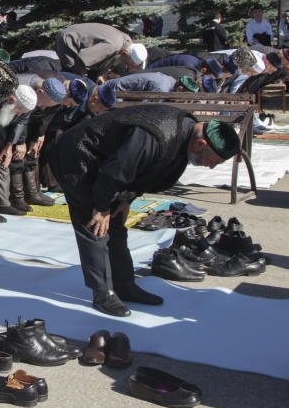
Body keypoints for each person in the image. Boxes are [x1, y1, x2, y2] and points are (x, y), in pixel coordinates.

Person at [48, 105, 239, 317]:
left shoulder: (184, 135)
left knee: (117, 224)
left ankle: (124, 284)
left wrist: (127, 198)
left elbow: (146, 173)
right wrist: (101, 207)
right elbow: (118, 170)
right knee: (94, 226)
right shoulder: (155, 137)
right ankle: (102, 292)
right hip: (78, 157)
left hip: (107, 165)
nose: (210, 167)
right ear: (201, 143)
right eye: (212, 161)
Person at [55, 23, 146, 79]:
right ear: (124, 53)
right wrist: (83, 80)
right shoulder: (113, 46)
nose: (125, 65)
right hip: (68, 42)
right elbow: (83, 59)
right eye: (127, 63)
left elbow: (105, 60)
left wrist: (100, 75)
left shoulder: (127, 42)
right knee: (72, 79)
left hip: (77, 39)